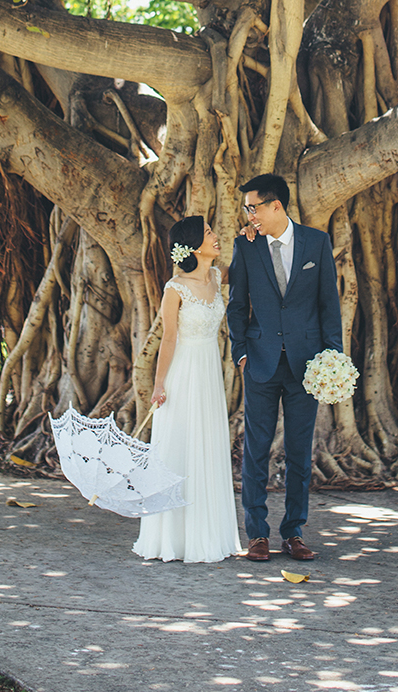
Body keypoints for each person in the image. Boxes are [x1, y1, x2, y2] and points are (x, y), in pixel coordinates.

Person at [226, 173, 343, 563]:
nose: (248, 214)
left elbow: (329, 304)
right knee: (256, 451)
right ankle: (257, 534)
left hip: (306, 365)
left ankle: (293, 532)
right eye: (247, 209)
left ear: (276, 206)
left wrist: (333, 358)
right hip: (259, 363)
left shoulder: (316, 242)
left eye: (253, 207)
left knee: (299, 452)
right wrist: (240, 351)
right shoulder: (246, 246)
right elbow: (237, 304)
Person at [134, 216, 242, 563]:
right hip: (184, 374)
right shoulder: (174, 288)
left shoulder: (217, 277)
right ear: (194, 246)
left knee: (207, 446)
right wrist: (160, 383)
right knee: (180, 448)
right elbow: (168, 338)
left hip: (210, 373)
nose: (215, 236)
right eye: (209, 232)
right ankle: (174, 538)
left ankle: (209, 534)